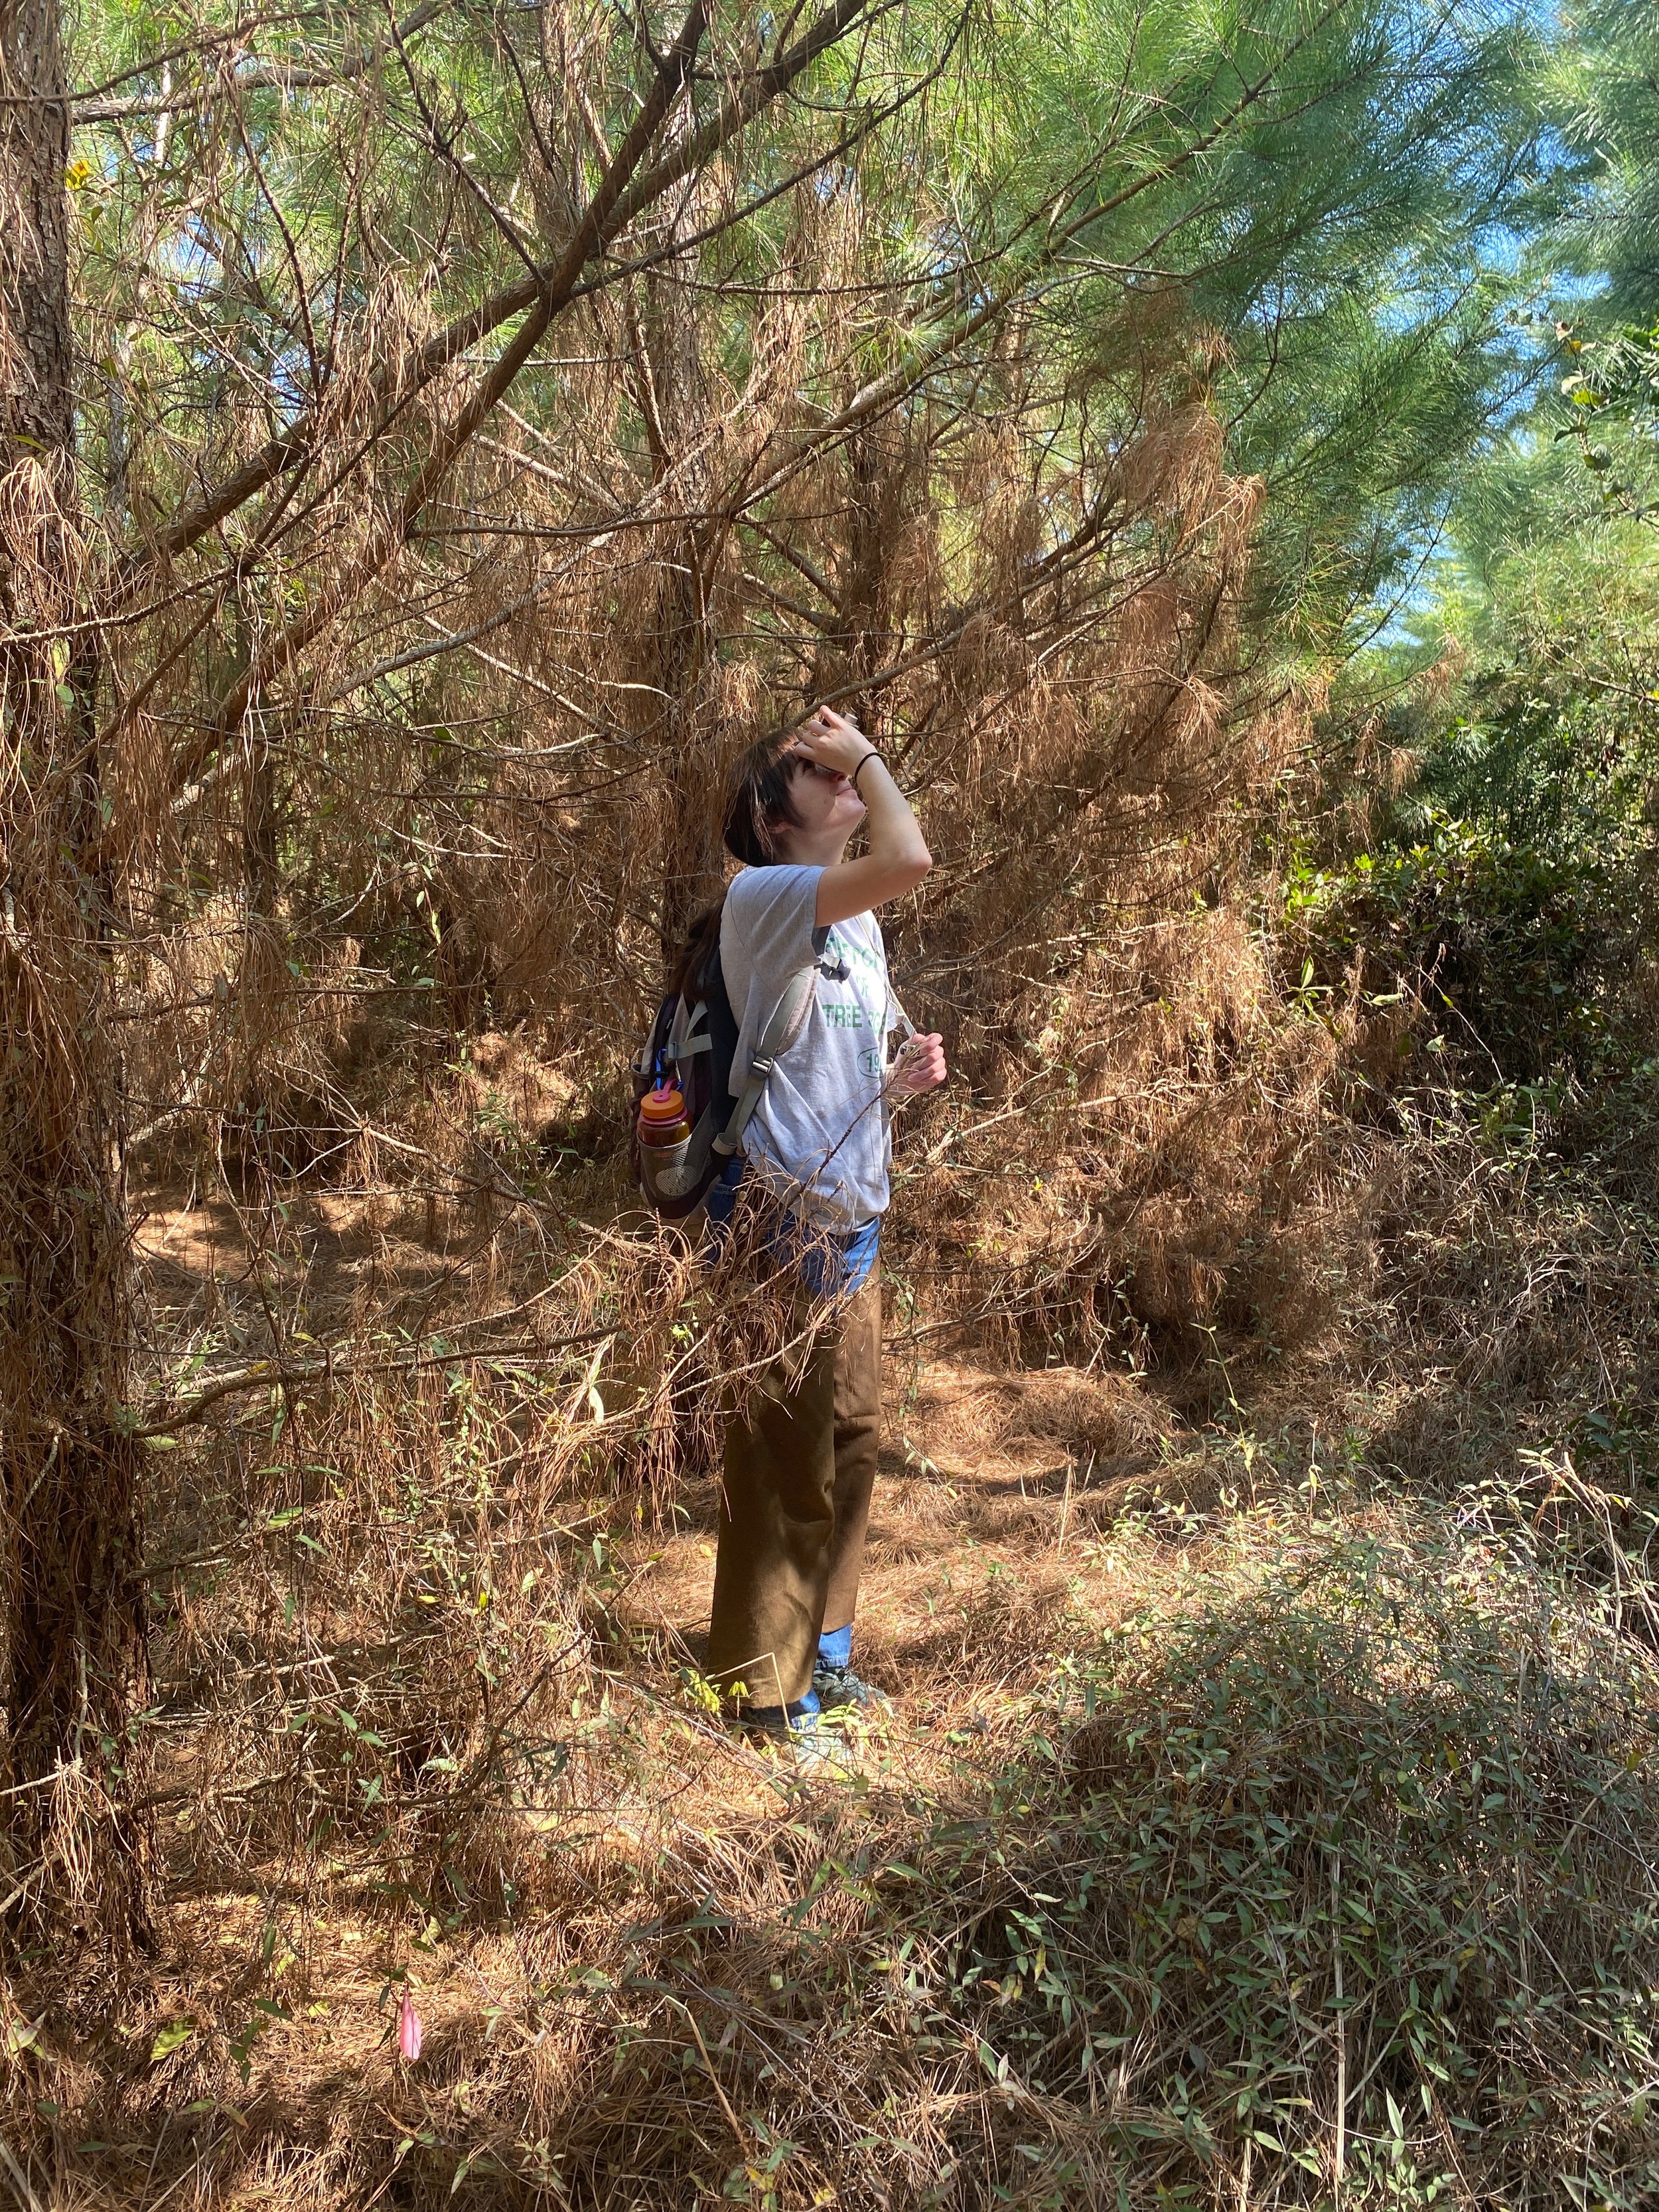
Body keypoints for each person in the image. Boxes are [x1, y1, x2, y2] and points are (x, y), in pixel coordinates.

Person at [701, 703, 947, 1747]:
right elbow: (911, 856)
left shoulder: (861, 924)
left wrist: (900, 1081)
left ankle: (826, 1656)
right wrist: (871, 758)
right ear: (773, 819)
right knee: (781, 1464)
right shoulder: (761, 898)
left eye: (834, 761)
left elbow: (840, 1074)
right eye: (809, 769)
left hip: (855, 1224)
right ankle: (766, 1695)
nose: (835, 772)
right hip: (778, 1224)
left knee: (851, 1445)